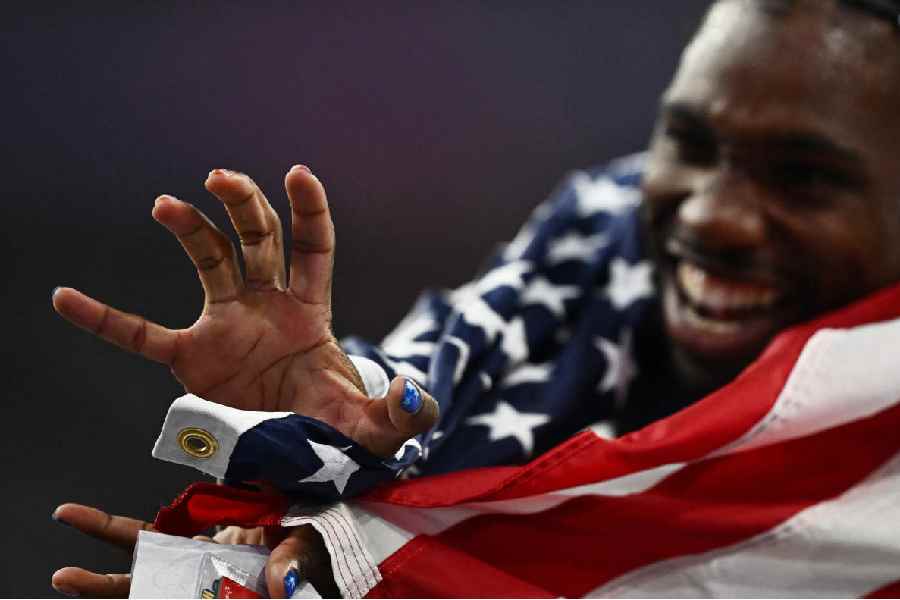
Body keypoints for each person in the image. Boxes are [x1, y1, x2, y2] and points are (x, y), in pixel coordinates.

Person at [49, 0, 900, 596]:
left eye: (805, 178)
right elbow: (426, 394)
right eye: (690, 141)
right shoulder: (594, 241)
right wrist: (332, 452)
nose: (711, 214)